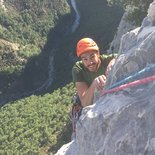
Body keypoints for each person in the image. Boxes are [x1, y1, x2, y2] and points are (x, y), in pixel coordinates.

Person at [72, 37, 117, 107]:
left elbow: (120, 55)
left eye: (92, 57)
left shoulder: (105, 60)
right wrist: (94, 84)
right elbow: (85, 103)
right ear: (81, 59)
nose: (90, 62)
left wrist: (113, 61)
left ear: (98, 54)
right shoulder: (78, 69)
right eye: (85, 59)